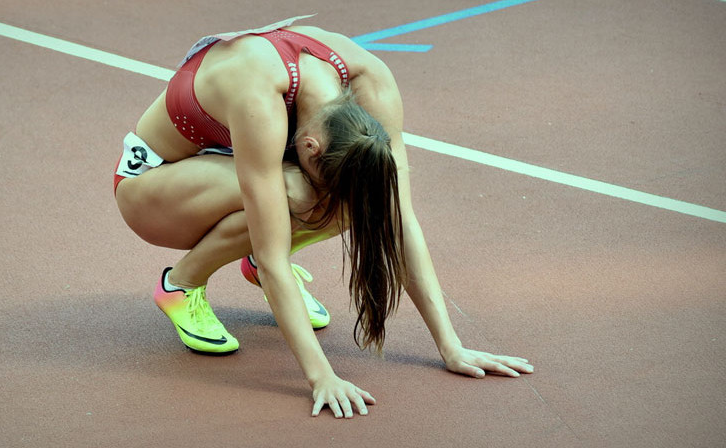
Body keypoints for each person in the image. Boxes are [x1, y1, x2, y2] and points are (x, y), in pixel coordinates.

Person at [113, 15, 533, 419]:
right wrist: (322, 377)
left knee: (362, 195)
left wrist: (451, 346)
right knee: (293, 194)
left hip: (228, 171)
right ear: (309, 147)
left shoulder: (370, 81)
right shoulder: (259, 96)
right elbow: (274, 253)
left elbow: (398, 215)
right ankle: (180, 285)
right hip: (151, 190)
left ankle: (249, 261)